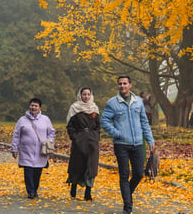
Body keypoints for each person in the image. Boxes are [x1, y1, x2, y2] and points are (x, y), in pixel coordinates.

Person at [100, 76, 155, 214]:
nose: (122, 86)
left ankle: (127, 196)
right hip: (121, 144)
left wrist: (150, 140)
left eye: (125, 83)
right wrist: (116, 133)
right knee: (124, 175)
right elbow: (104, 121)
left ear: (130, 85)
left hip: (137, 144)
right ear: (118, 86)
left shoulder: (139, 102)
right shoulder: (112, 103)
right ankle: (128, 207)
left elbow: (144, 122)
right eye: (120, 84)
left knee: (139, 174)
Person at [11, 98, 56, 199]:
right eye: (32, 105)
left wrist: (49, 141)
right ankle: (30, 191)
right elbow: (16, 135)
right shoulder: (22, 120)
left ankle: (35, 189)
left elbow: (51, 132)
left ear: (40, 108)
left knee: (37, 172)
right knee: (28, 171)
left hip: (41, 152)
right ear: (29, 106)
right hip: (26, 151)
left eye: (36, 106)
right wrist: (14, 148)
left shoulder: (45, 119)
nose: (33, 107)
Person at [65, 87, 100, 201]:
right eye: (84, 94)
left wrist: (95, 137)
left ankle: (88, 192)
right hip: (79, 141)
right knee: (78, 164)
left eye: (88, 94)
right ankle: (74, 186)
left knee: (91, 166)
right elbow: (70, 126)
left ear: (91, 95)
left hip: (92, 142)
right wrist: (75, 137)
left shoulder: (94, 108)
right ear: (80, 95)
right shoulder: (75, 108)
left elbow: (98, 126)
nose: (86, 96)